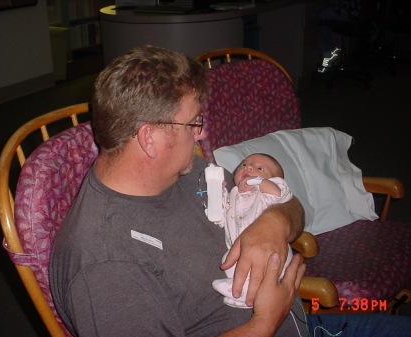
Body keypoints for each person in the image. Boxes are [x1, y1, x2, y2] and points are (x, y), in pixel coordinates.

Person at [49, 45, 411, 337]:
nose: (203, 134)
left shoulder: (188, 174)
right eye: (194, 123)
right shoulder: (105, 265)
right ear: (150, 137)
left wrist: (275, 222)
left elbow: (289, 204)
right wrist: (265, 322)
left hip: (306, 323)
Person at [212, 153, 294, 309]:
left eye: (260, 168)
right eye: (244, 165)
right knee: (228, 261)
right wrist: (220, 193)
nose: (248, 167)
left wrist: (255, 180)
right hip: (239, 248)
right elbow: (221, 218)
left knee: (263, 267)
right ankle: (239, 292)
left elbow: (277, 192)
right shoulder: (234, 194)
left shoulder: (266, 192)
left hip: (271, 247)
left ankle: (244, 293)